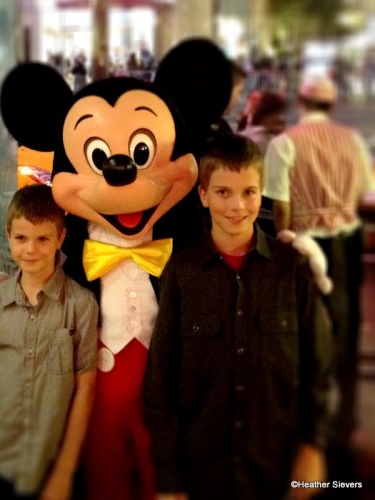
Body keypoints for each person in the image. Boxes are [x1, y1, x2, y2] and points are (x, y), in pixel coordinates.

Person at [142, 133, 334, 500]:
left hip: (278, 467)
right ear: (203, 195)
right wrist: (168, 478)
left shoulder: (292, 269)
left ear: (262, 193)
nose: (237, 206)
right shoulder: (181, 273)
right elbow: (159, 385)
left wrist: (314, 447)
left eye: (249, 192)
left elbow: (319, 367)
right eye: (223, 192)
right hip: (201, 471)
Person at [263, 75, 375, 460]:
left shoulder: (284, 143)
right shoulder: (353, 141)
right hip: (347, 240)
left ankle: (305, 423)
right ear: (332, 105)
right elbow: (363, 191)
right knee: (345, 328)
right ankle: (343, 422)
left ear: (300, 101)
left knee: (303, 332)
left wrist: (282, 249)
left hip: (305, 245)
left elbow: (280, 206)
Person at [0, 183, 99, 500]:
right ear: (8, 236)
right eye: (21, 238)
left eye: (43, 239)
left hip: (50, 461)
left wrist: (65, 471)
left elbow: (85, 387)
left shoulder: (82, 305)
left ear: (60, 238)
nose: (31, 249)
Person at [238, 91, 288, 236]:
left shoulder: (245, 133)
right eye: (279, 115)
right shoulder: (267, 143)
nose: (282, 120)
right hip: (265, 214)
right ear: (268, 115)